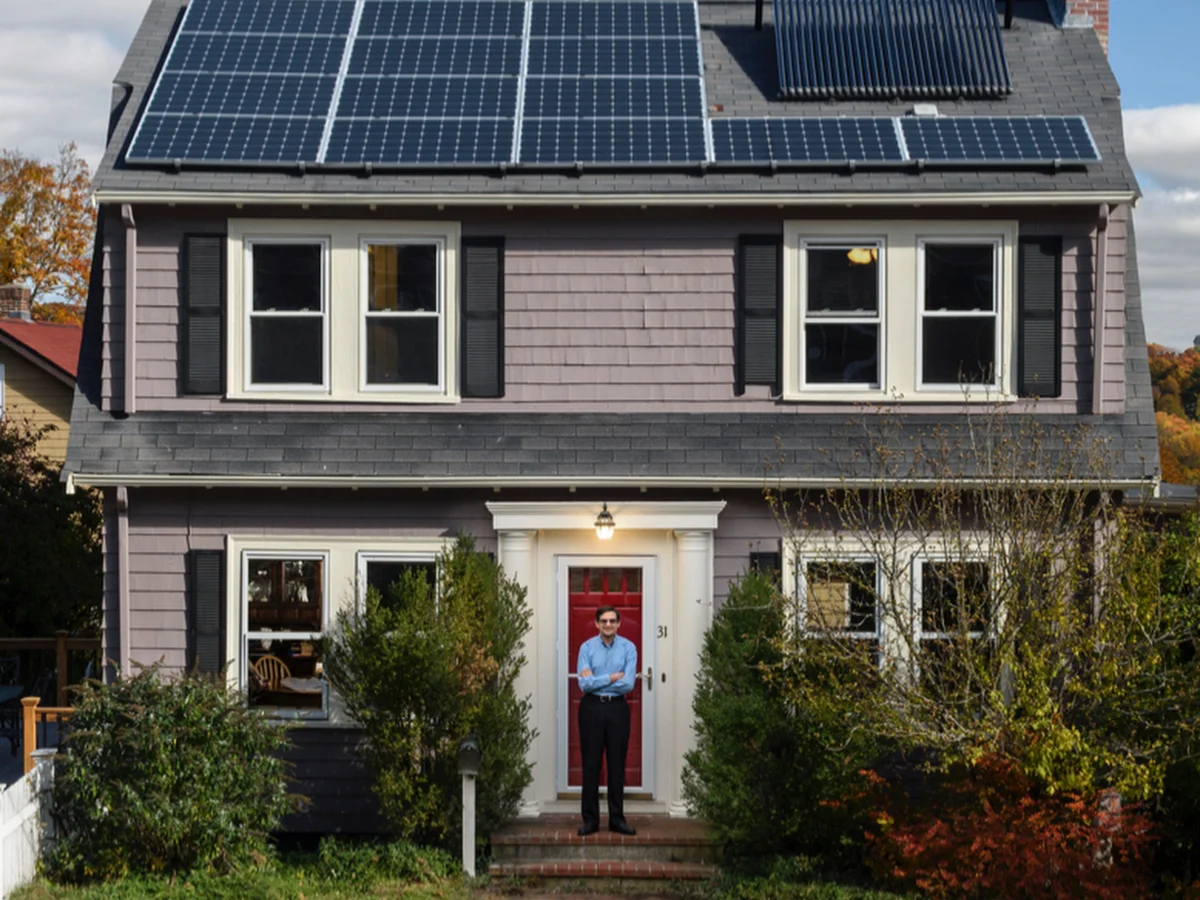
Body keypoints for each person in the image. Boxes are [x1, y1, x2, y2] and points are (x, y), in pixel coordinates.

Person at [576, 604, 638, 836]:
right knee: (591, 765)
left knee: (616, 765)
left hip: (617, 710)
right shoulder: (587, 648)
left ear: (619, 624)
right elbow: (584, 683)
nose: (608, 625)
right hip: (591, 707)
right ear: (597, 624)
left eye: (612, 621)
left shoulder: (628, 648)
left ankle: (617, 818)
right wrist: (612, 677)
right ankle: (590, 820)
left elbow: (629, 683)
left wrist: (597, 678)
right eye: (604, 621)